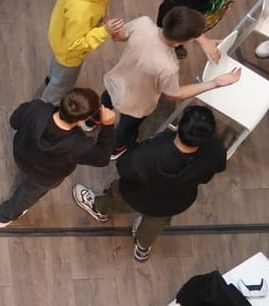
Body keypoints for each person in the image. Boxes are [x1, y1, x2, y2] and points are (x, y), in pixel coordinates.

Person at [72, 106, 226, 262]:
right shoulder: (216, 150)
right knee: (154, 224)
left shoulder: (150, 153)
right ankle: (142, 248)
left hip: (135, 195)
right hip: (175, 201)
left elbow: (124, 168)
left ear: (179, 125)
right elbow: (217, 168)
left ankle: (99, 209)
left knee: (113, 199)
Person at [87, 7, 241, 159]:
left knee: (104, 102)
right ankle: (117, 148)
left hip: (116, 81)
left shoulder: (143, 23)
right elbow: (174, 95)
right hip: (137, 103)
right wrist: (215, 83)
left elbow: (118, 36)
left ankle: (92, 120)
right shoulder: (168, 66)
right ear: (179, 43)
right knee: (126, 127)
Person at [0, 88, 116, 227]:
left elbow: (14, 121)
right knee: (27, 195)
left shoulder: (37, 108)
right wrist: (108, 126)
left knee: (27, 191)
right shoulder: (80, 145)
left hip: (21, 154)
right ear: (83, 119)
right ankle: (5, 216)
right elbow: (103, 158)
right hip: (44, 177)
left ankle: (4, 217)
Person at [41, 0, 124, 105]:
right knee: (61, 84)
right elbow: (74, 45)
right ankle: (46, 106)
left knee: (56, 71)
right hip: (68, 54)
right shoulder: (81, 12)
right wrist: (103, 31)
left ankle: (50, 78)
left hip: (59, 33)